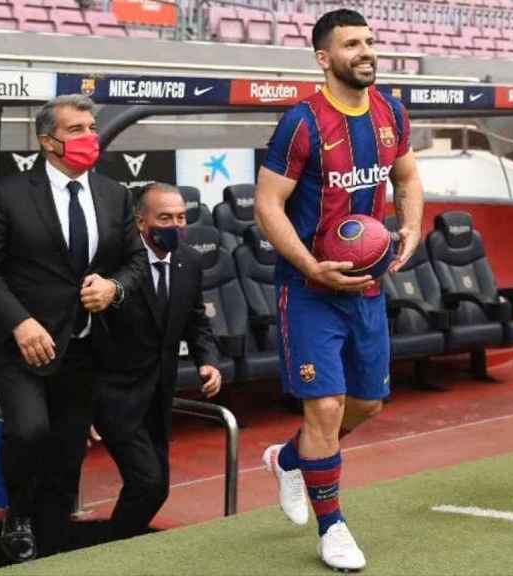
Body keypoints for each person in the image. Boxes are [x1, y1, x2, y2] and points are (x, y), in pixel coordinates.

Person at [253, 9, 425, 572]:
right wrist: (311, 265)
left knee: (365, 405)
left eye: (370, 41)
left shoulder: (390, 112)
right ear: (325, 59)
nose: (367, 51)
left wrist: (412, 225)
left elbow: (407, 177)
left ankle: (289, 458)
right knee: (325, 405)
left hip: (367, 289)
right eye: (352, 44)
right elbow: (267, 205)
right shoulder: (301, 122)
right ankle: (334, 529)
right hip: (308, 289)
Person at [0, 94, 146, 562]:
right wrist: (21, 323)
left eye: (92, 127)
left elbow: (135, 262)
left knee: (68, 455)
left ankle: (53, 545)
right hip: (20, 349)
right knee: (29, 432)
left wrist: (114, 289)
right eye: (77, 130)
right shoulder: (7, 194)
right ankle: (18, 511)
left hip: (85, 349)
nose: (91, 137)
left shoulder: (114, 194)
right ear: (48, 141)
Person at [93, 183, 223, 541]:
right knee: (147, 483)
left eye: (181, 217)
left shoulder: (189, 261)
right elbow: (90, 336)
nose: (175, 226)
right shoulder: (113, 266)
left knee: (157, 487)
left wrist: (207, 361)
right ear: (140, 222)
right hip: (115, 396)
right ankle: (108, 551)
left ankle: (112, 547)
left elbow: (196, 319)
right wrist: (87, 406)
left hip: (159, 395)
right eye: (164, 217)